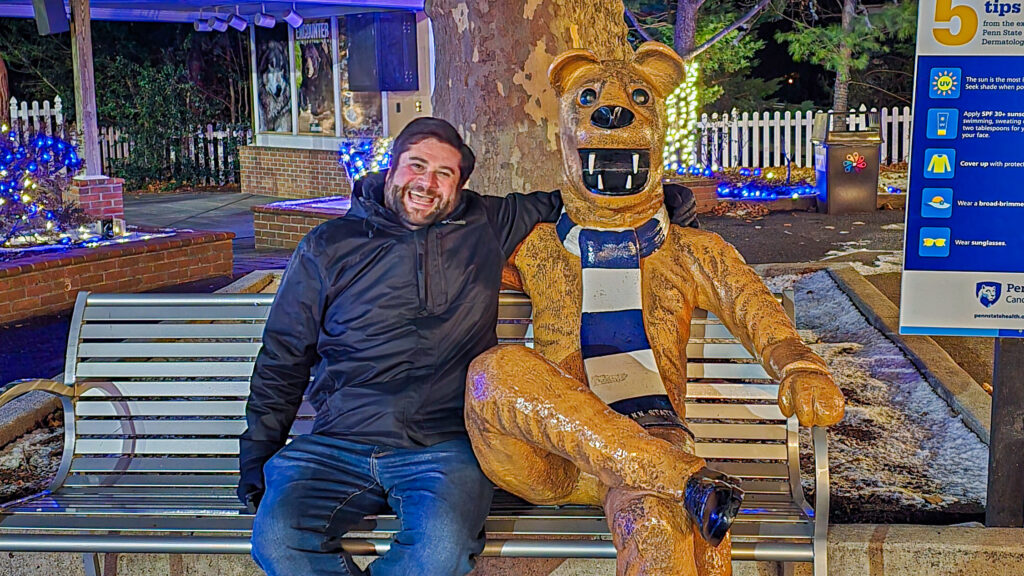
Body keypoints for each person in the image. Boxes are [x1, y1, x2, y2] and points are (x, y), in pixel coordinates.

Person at [238, 117, 699, 576]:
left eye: (445, 174)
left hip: (444, 446)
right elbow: (284, 355)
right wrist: (259, 451)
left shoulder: (484, 222)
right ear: (392, 168)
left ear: (459, 185)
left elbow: (573, 203)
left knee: (441, 551)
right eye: (417, 166)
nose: (427, 183)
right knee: (278, 539)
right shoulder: (328, 246)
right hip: (337, 441)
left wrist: (655, 201)